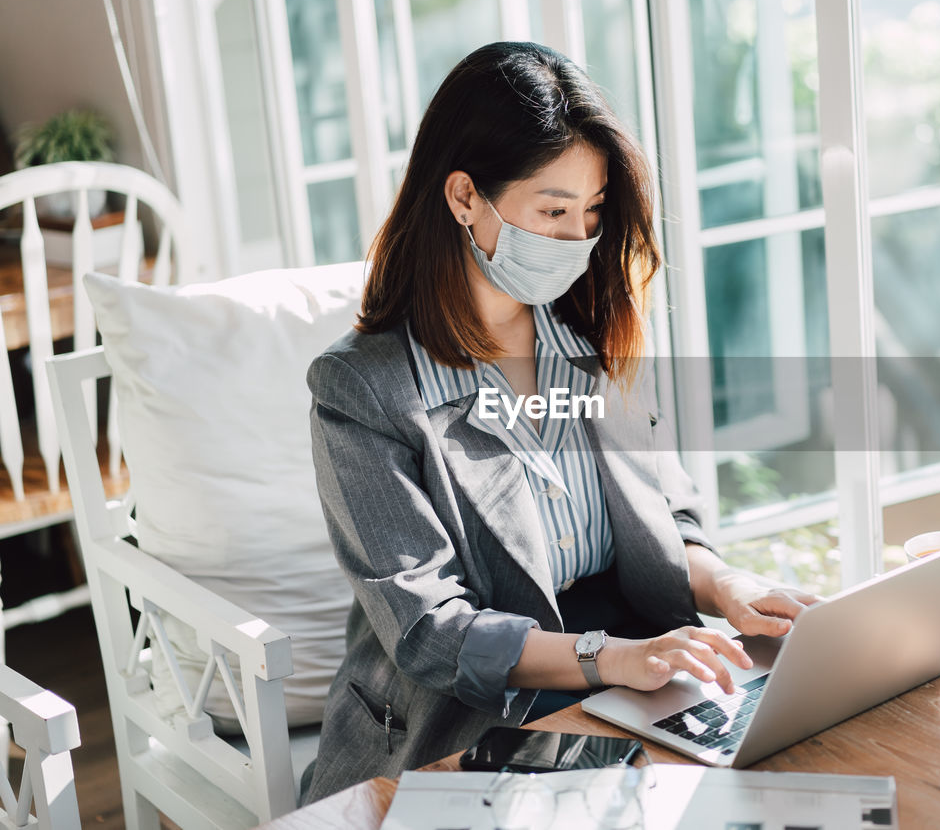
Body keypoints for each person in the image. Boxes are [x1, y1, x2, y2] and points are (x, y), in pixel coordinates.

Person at [302, 41, 817, 802]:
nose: (578, 241)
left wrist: (729, 583)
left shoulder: (588, 336)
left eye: (594, 212)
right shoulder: (363, 391)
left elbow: (664, 514)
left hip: (626, 697)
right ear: (464, 197)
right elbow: (429, 630)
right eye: (552, 211)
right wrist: (608, 656)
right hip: (456, 732)